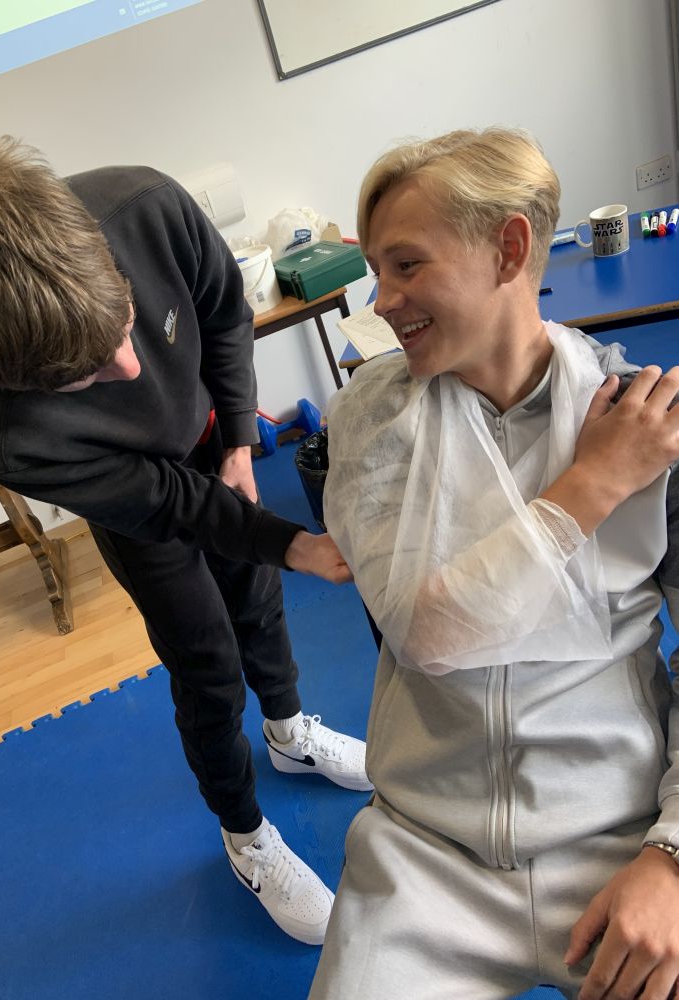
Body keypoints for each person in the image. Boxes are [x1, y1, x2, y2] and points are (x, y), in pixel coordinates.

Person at [0, 132, 373, 948]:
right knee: (205, 661)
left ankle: (289, 736)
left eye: (127, 324)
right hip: (141, 499)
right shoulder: (4, 433)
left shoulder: (146, 205)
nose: (130, 368)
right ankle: (245, 837)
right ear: (18, 384)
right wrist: (293, 542)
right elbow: (168, 502)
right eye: (90, 375)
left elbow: (225, 313)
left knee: (257, 598)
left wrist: (237, 437)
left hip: (210, 439)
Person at [309, 127, 679, 998]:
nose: (382, 301)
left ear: (509, 249)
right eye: (376, 271)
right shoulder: (370, 419)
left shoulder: (649, 422)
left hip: (623, 838)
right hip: (424, 851)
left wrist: (671, 856)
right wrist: (593, 484)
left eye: (406, 265)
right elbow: (428, 632)